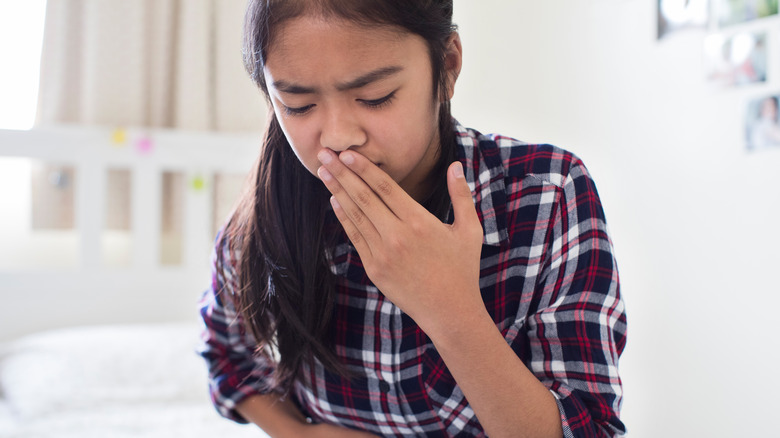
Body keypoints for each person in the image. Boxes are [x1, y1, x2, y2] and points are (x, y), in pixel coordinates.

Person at [197, 1, 627, 437]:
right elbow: (225, 355)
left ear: (448, 66)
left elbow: (589, 428)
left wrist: (448, 307)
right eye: (298, 105)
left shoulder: (545, 193)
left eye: (375, 98)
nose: (339, 136)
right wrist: (303, 433)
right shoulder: (267, 214)